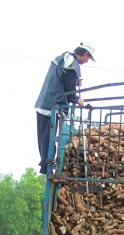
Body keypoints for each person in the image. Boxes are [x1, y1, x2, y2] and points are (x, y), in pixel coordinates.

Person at [34, 43, 95, 175]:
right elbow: (68, 86)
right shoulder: (73, 64)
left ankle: (45, 164)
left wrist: (75, 80)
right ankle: (47, 165)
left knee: (43, 136)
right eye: (88, 58)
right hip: (53, 104)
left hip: (43, 102)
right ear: (85, 54)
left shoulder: (63, 58)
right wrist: (77, 99)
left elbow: (63, 77)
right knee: (49, 136)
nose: (86, 61)